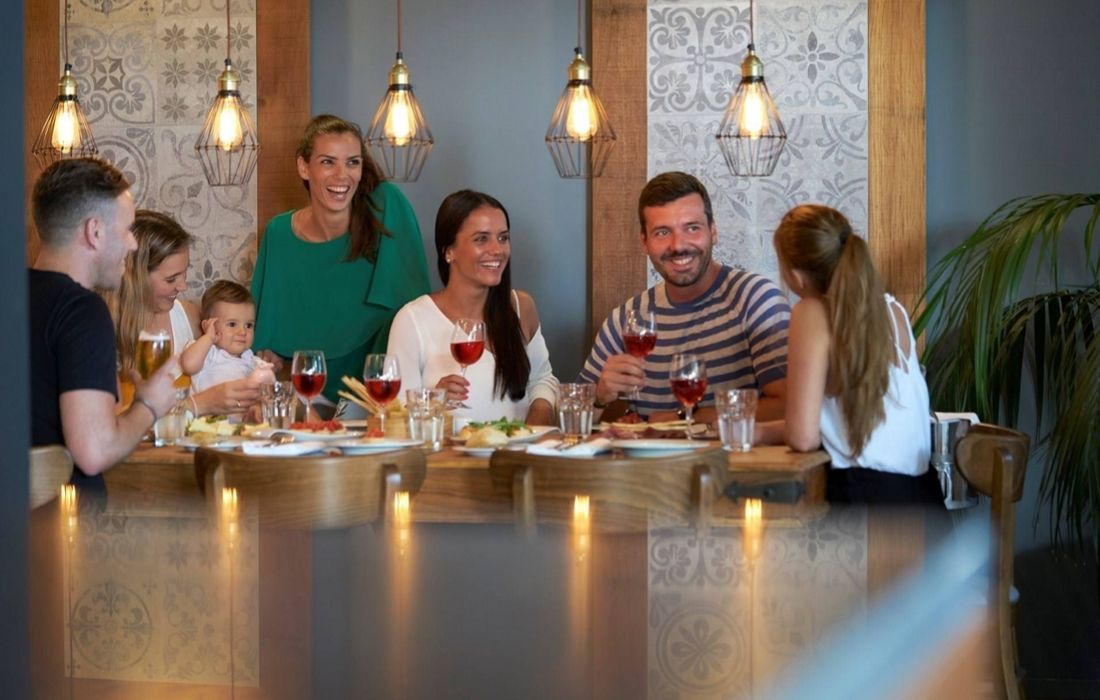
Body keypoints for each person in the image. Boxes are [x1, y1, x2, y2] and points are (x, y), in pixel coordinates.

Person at [754, 204, 938, 505]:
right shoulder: (893, 310)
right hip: (924, 506)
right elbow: (849, 424)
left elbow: (803, 439)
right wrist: (761, 432)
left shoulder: (811, 312)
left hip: (867, 509)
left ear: (797, 276)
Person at [579, 171, 790, 423]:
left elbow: (788, 406)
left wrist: (685, 418)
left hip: (730, 462)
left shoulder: (756, 300)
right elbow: (569, 419)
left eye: (692, 228)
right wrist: (600, 396)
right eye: (662, 232)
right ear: (644, 242)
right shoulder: (625, 320)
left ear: (713, 231)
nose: (678, 245)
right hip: (652, 463)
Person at [251, 114, 431, 411]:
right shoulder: (278, 233)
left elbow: (412, 310)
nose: (342, 175)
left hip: (377, 395)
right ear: (303, 167)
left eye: (352, 162)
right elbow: (261, 336)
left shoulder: (386, 206)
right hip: (304, 397)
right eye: (327, 162)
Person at [29, 158, 178, 491]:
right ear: (94, 232)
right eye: (126, 230)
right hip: (61, 531)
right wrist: (149, 405)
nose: (133, 244)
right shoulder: (83, 311)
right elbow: (93, 452)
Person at [387, 190, 558, 424]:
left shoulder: (521, 307)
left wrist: (532, 432)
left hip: (517, 457)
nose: (497, 250)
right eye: (481, 239)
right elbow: (394, 414)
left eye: (503, 238)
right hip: (448, 458)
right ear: (449, 251)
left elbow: (542, 380)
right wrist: (432, 401)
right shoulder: (412, 320)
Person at [110, 209, 262, 415]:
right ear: (136, 277)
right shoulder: (105, 326)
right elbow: (105, 428)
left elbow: (229, 369)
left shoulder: (190, 317)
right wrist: (200, 403)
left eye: (185, 272)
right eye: (171, 279)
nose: (183, 286)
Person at [180, 280, 275, 395]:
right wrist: (208, 337)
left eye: (248, 325)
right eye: (232, 324)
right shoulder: (208, 352)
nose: (242, 332)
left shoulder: (253, 361)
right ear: (208, 326)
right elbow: (189, 365)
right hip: (210, 412)